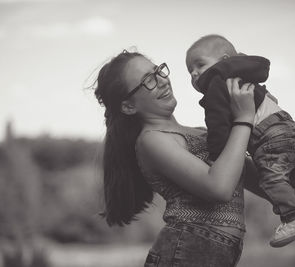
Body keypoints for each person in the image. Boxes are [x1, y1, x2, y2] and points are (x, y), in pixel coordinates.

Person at [93, 49, 262, 266]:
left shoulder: (203, 133)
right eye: (148, 81)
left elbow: (262, 180)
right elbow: (219, 188)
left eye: (158, 72)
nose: (162, 81)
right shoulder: (152, 140)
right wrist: (243, 119)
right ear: (128, 106)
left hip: (214, 254)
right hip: (185, 251)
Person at [185, 34, 295, 248]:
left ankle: (293, 218)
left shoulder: (217, 82)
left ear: (224, 59)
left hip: (271, 137)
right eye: (190, 70)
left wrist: (217, 158)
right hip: (294, 131)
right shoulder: (248, 78)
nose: (194, 73)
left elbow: (217, 124)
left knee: (271, 179)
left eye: (200, 64)